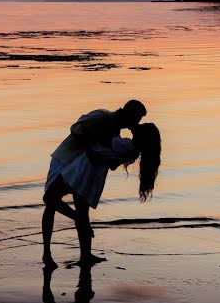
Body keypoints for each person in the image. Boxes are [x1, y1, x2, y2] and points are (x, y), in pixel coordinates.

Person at [42, 100, 161, 268]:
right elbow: (75, 129)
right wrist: (92, 151)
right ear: (128, 114)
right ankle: (47, 253)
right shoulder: (102, 116)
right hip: (66, 158)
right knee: (53, 204)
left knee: (80, 209)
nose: (137, 124)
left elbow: (110, 160)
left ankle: (85, 255)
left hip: (83, 166)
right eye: (137, 119)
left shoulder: (118, 136)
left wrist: (100, 153)